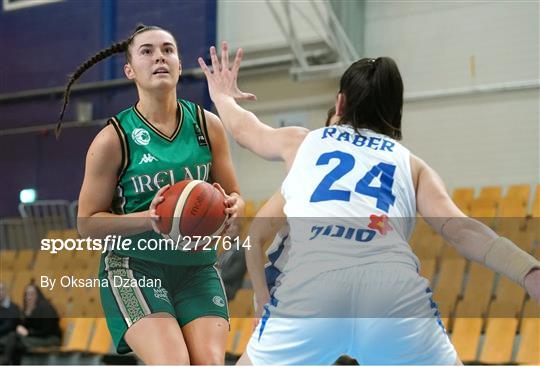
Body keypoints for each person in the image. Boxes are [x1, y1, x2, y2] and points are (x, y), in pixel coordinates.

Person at [198, 42, 540, 365]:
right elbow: (462, 230)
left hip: (312, 289)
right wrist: (527, 271)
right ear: (395, 111)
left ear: (341, 103)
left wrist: (223, 96)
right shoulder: (411, 164)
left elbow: (244, 130)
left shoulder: (304, 141)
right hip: (391, 295)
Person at [57, 25, 245, 365]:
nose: (159, 56)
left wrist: (233, 208)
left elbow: (235, 197)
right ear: (129, 70)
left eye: (168, 49)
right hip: (134, 267)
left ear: (178, 62)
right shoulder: (113, 139)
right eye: (147, 51)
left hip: (197, 268)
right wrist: (150, 219)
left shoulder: (207, 125)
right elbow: (86, 224)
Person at [2, 284, 61, 365]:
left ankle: (5, 363)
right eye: (27, 294)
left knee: (15, 339)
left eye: (32, 294)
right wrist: (26, 316)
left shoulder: (46, 308)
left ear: (38, 295)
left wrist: (29, 333)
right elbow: (25, 327)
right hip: (37, 337)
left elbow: (47, 331)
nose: (28, 297)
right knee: (15, 342)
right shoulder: (30, 309)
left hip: (50, 339)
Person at [0, 282, 21, 355]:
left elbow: (9, 326)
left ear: (5, 292)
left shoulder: (13, 307)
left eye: (1, 290)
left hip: (10, 337)